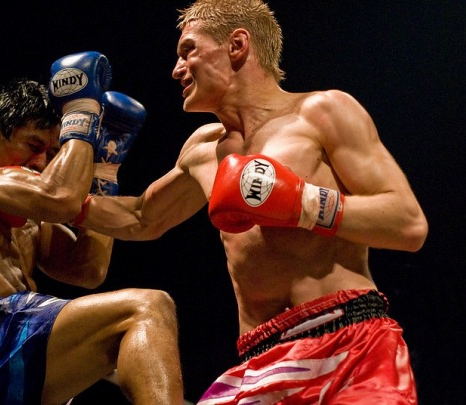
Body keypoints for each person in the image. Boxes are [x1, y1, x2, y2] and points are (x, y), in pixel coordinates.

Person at [78, 1, 429, 404]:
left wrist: (301, 202)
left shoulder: (321, 112)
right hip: (260, 361)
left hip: (351, 344)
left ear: (237, 45)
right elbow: (142, 217)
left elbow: (408, 224)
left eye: (188, 51)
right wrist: (56, 199)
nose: (177, 69)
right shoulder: (202, 150)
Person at [0, 51, 183, 405]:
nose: (41, 162)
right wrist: (81, 112)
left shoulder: (32, 214)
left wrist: (103, 173)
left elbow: (88, 269)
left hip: (19, 340)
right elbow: (59, 197)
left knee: (140, 321)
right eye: (33, 146)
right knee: (148, 307)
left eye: (51, 152)